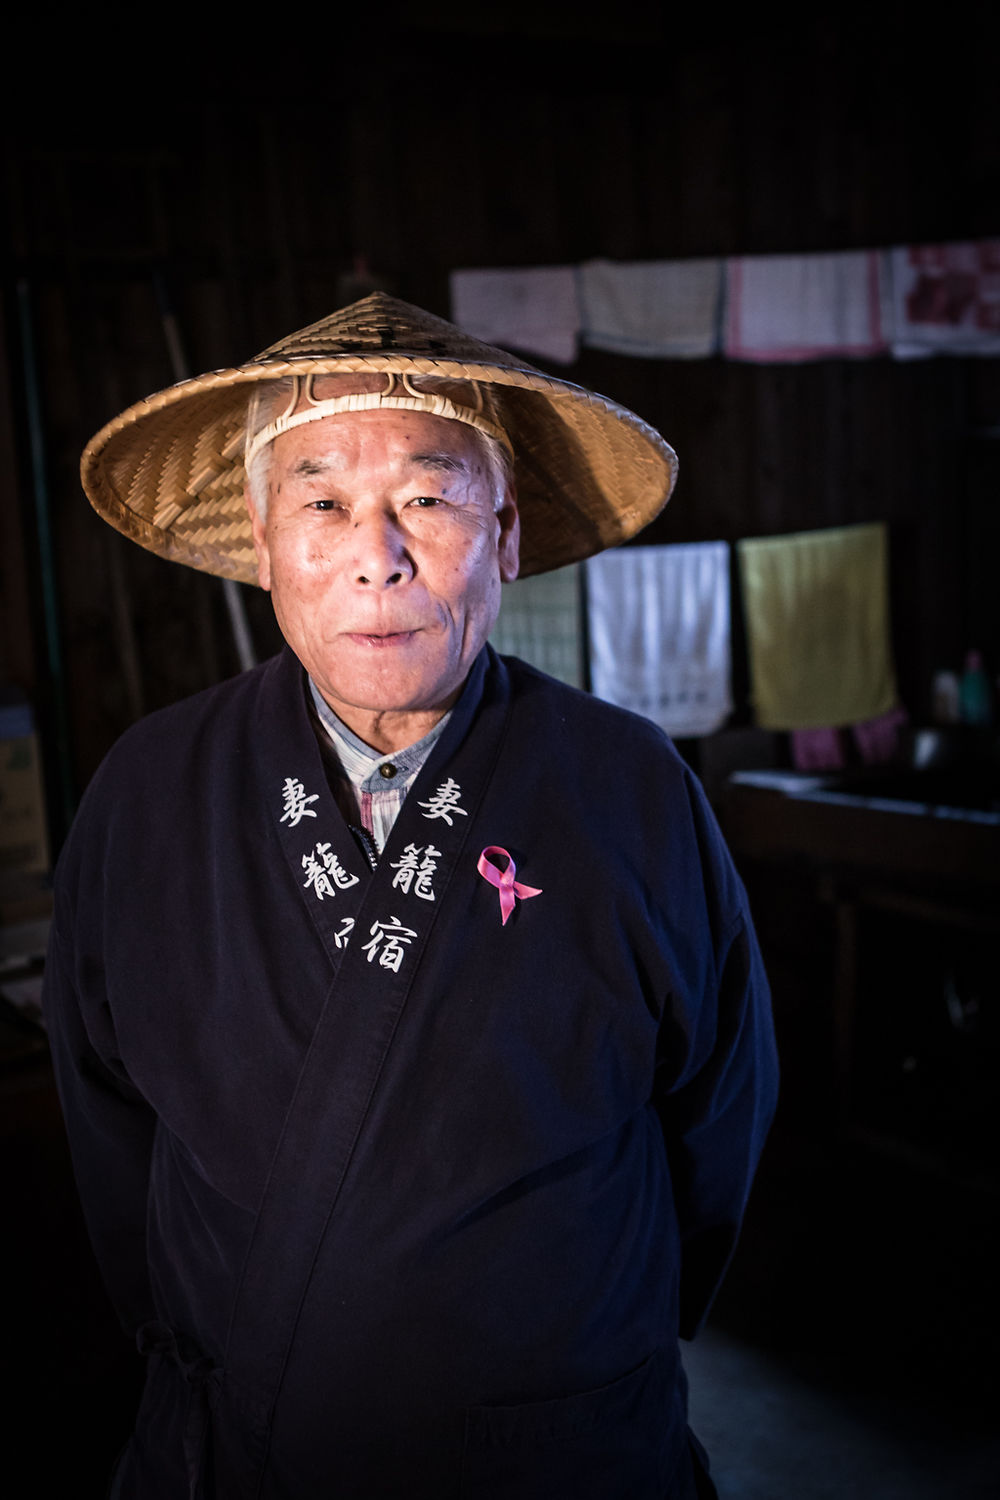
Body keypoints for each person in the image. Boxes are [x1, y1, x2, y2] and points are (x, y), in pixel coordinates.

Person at [45, 293, 778, 1499]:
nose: (377, 554)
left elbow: (717, 1115)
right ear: (265, 545)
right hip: (245, 1450)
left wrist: (592, 1331)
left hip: (564, 1446)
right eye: (323, 503)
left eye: (429, 500)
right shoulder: (150, 788)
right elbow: (109, 1123)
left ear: (506, 540)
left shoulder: (628, 783)